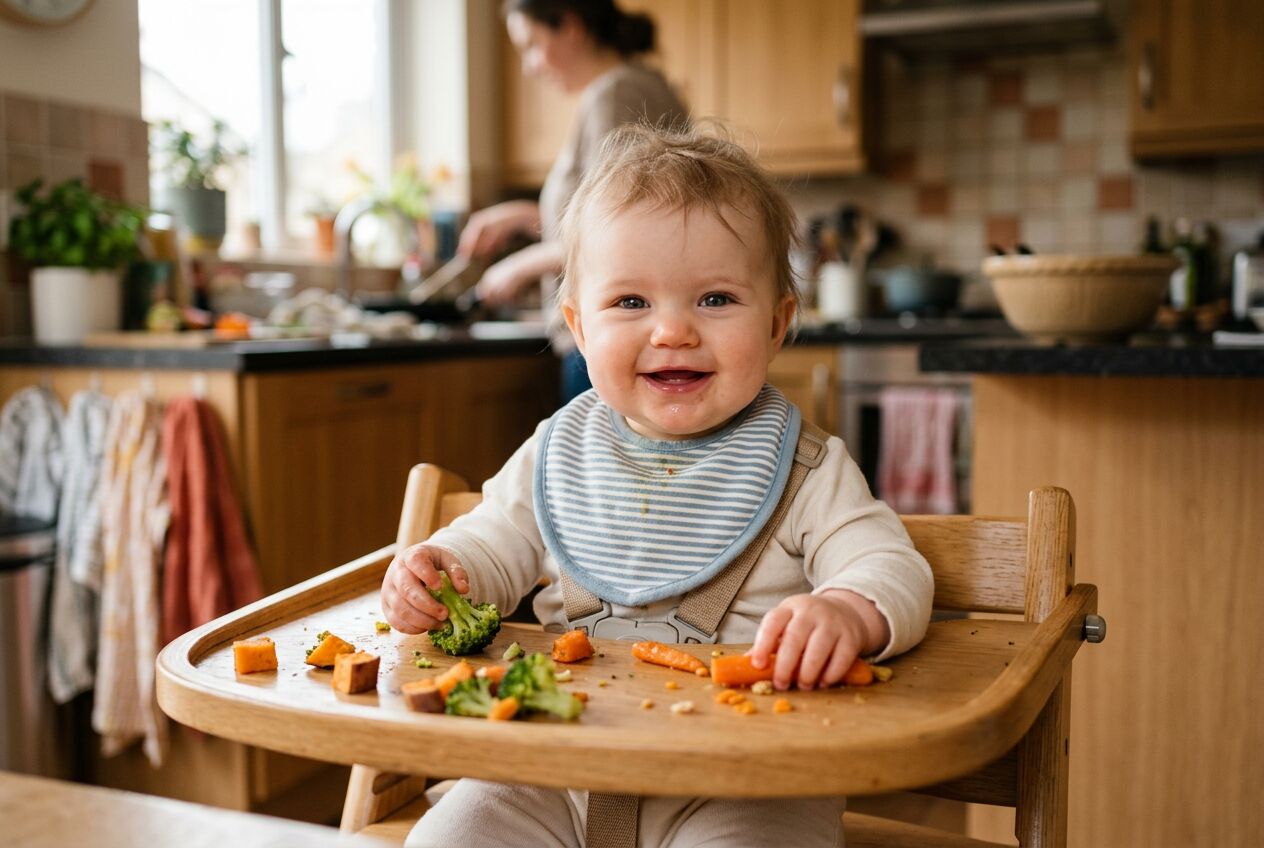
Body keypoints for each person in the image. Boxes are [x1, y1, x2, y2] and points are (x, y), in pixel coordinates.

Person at [381, 124, 935, 848]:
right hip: (548, 763)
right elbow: (495, 540)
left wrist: (847, 611)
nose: (672, 330)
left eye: (714, 299)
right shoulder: (558, 451)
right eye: (631, 304)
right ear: (579, 328)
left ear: (778, 323)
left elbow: (891, 565)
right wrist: (445, 571)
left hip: (744, 779)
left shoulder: (807, 468)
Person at [459, 0, 689, 403]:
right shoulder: (645, 85)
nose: (530, 65)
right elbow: (633, 212)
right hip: (638, 331)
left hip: (606, 340)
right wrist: (522, 217)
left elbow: (618, 231)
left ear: (570, 25)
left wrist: (518, 266)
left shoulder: (614, 94)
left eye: (531, 44)